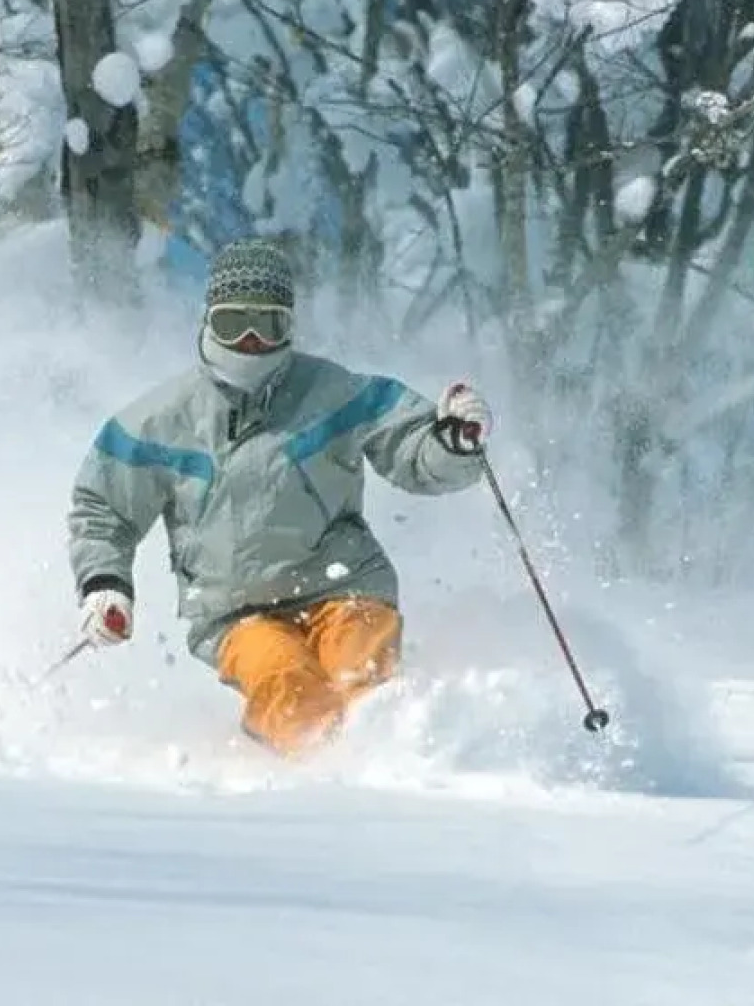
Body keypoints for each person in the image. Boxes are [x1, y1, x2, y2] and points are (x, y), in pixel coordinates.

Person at [65, 237, 493, 756]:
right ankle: (317, 775)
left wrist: (451, 441)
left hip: (343, 586)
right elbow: (103, 507)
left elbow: (412, 448)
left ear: (287, 329)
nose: (248, 343)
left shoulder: (334, 394)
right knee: (289, 684)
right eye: (233, 324)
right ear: (207, 323)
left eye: (266, 326)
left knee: (362, 672)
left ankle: (397, 757)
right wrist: (105, 585)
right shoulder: (161, 421)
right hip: (236, 613)